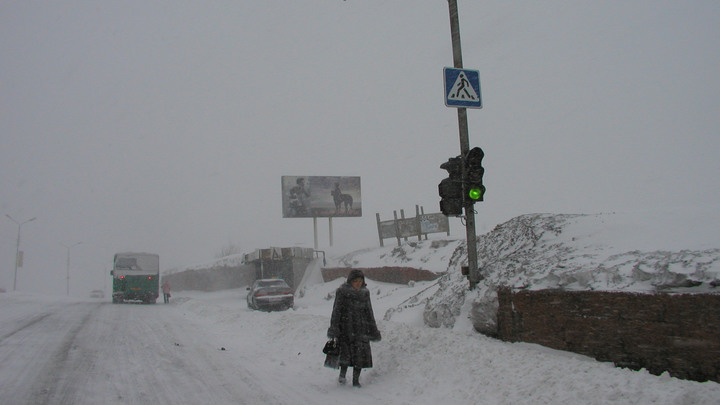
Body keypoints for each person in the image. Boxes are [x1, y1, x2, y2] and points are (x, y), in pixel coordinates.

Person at [327, 269, 381, 387]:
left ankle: (356, 380)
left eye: (360, 281)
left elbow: (369, 313)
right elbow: (336, 312)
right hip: (345, 330)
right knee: (345, 355)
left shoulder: (365, 293)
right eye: (355, 281)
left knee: (359, 357)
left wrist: (373, 330)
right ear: (350, 281)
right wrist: (334, 328)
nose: (358, 283)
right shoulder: (342, 292)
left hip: (361, 330)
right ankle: (342, 375)